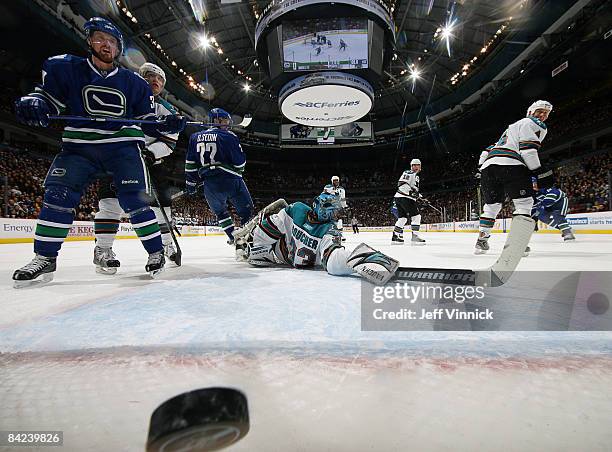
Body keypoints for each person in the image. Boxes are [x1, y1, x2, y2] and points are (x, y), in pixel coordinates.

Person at [12, 17, 186, 287]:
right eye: (99, 39)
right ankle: (46, 256)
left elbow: (150, 122)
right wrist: (36, 101)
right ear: (89, 41)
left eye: (111, 41)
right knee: (60, 196)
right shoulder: (66, 68)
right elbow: (49, 99)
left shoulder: (135, 85)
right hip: (79, 147)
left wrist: (167, 124)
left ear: (119, 48)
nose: (105, 45)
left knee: (137, 201)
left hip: (123, 149)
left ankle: (155, 251)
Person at [235, 194, 398, 285]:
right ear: (321, 208)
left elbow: (334, 260)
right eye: (334, 211)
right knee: (257, 250)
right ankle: (250, 246)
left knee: (257, 248)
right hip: (281, 252)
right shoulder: (298, 210)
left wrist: (360, 261)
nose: (336, 216)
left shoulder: (327, 228)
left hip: (282, 254)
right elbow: (273, 226)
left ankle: (369, 258)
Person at [475, 100, 552, 254]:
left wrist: (480, 168)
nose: (542, 115)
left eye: (546, 113)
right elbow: (528, 151)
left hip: (488, 168)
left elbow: (486, 150)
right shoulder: (533, 123)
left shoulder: (510, 128)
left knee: (491, 207)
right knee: (524, 203)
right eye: (540, 111)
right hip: (511, 164)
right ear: (531, 112)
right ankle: (517, 244)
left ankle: (481, 241)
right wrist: (539, 172)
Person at [185, 108, 253, 244]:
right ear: (216, 120)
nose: (227, 124)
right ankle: (248, 240)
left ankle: (233, 237)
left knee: (221, 213)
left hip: (210, 185)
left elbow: (190, 164)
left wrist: (191, 184)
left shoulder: (194, 137)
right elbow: (240, 163)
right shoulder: (229, 136)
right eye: (225, 121)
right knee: (246, 211)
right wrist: (240, 170)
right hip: (231, 179)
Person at [531, 170, 575, 241]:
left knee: (557, 215)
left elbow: (549, 199)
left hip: (560, 201)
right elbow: (534, 207)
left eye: (534, 183)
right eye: (531, 184)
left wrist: (541, 206)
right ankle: (565, 228)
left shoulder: (546, 188)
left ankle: (568, 233)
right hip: (549, 205)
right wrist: (534, 217)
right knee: (542, 217)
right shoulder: (533, 195)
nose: (533, 186)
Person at [391, 159, 426, 245]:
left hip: (400, 197)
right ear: (411, 166)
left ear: (420, 166)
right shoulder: (408, 173)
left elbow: (414, 190)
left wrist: (421, 197)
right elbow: (401, 184)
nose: (415, 167)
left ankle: (395, 236)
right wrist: (411, 193)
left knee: (402, 218)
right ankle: (415, 236)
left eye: (417, 165)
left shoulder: (416, 176)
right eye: (414, 165)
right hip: (405, 197)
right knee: (416, 217)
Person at [323, 176, 347, 240]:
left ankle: (340, 235)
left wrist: (344, 206)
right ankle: (329, 235)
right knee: (330, 221)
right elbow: (323, 195)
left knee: (339, 220)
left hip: (337, 207)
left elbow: (343, 199)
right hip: (329, 206)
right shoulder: (328, 187)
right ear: (332, 181)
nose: (336, 181)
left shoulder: (342, 189)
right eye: (334, 180)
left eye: (337, 180)